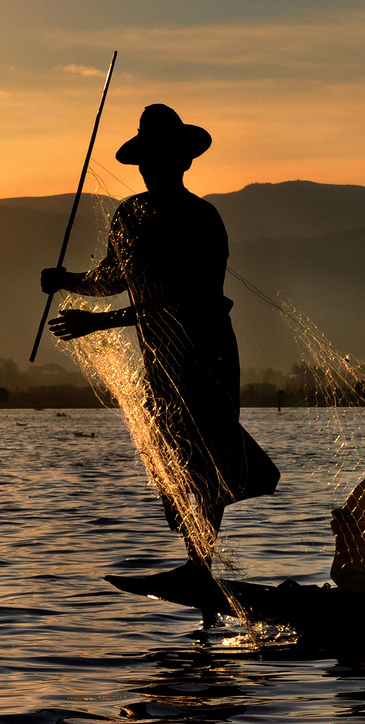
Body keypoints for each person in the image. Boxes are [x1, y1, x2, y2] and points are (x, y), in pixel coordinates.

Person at [42, 103, 279, 573]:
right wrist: (65, 280)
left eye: (162, 159)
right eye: (146, 161)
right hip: (160, 356)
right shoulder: (129, 215)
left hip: (207, 351)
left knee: (210, 456)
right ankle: (198, 564)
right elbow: (111, 279)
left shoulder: (202, 219)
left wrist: (98, 324)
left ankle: (201, 563)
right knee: (174, 452)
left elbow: (183, 302)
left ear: (183, 162)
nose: (153, 168)